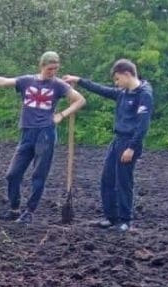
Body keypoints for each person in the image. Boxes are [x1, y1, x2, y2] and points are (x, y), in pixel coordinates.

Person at [0, 51, 85, 224]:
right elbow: (4, 81)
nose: (52, 72)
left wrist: (61, 115)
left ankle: (29, 211)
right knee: (12, 174)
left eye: (55, 69)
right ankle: (14, 209)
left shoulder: (59, 85)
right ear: (42, 66)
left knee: (38, 175)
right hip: (27, 133)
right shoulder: (27, 81)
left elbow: (80, 100)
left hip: (45, 133)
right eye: (50, 69)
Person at [63, 60, 153, 232]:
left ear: (127, 74)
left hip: (130, 143)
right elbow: (101, 89)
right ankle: (111, 218)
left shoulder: (144, 94)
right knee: (107, 179)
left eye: (117, 79)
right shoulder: (123, 92)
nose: (116, 83)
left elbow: (143, 125)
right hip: (117, 140)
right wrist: (79, 80)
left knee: (124, 182)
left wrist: (132, 148)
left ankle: (125, 221)